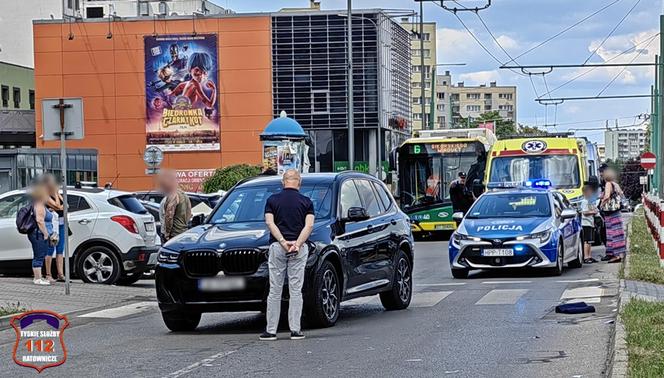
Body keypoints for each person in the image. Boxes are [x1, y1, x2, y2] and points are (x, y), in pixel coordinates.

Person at [260, 169, 314, 341]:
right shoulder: (306, 202)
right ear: (299, 182)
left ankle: (271, 331)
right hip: (299, 247)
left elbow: (269, 222)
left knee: (275, 289)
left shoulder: (272, 200)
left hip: (277, 246)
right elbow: (309, 226)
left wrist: (283, 242)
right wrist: (297, 244)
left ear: (283, 182)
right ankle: (295, 330)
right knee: (295, 289)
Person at [28, 183, 56, 286]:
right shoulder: (39, 204)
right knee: (39, 256)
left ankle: (38, 277)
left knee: (39, 255)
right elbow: (40, 220)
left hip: (37, 233)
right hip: (38, 234)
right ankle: (37, 278)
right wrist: (45, 234)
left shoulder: (40, 204)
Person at [41, 174, 66, 282]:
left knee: (60, 249)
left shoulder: (56, 193)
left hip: (61, 224)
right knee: (50, 249)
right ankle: (48, 274)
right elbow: (57, 206)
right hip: (51, 225)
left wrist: (57, 193)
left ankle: (60, 274)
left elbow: (65, 206)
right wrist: (55, 194)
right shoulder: (44, 194)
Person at [158, 170, 192, 243]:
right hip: (183, 232)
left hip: (174, 235)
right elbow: (189, 214)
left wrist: (167, 234)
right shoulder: (185, 196)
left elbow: (169, 216)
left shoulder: (173, 195)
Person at [600, 169, 626, 263]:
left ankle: (616, 256)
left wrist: (602, 204)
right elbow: (621, 194)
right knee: (617, 233)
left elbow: (607, 196)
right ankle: (619, 254)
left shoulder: (608, 184)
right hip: (617, 212)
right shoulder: (615, 184)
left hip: (610, 212)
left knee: (612, 233)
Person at [580, 185, 598, 264]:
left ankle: (589, 256)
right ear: (585, 192)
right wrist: (593, 212)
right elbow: (584, 212)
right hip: (586, 223)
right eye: (589, 192)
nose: (591, 193)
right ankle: (586, 257)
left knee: (590, 241)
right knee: (586, 241)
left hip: (590, 222)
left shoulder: (589, 201)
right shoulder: (584, 201)